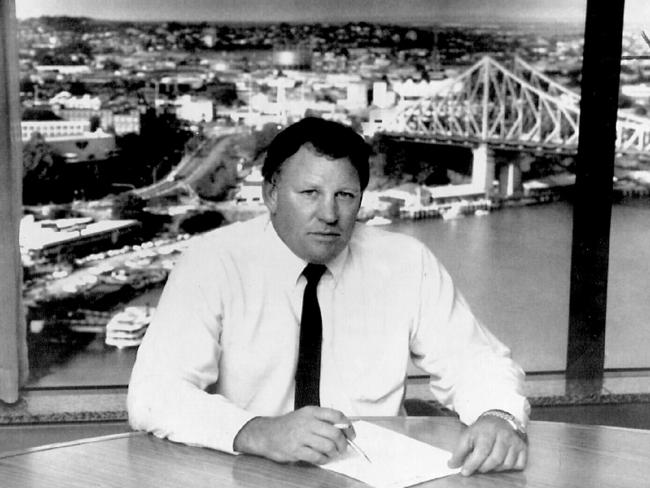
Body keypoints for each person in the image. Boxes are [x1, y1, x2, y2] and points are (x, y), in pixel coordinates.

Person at [128, 116, 530, 476]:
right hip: (248, 474)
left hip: (375, 477)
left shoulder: (407, 262)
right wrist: (256, 431)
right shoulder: (210, 263)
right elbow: (154, 394)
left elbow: (475, 360)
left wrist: (497, 414)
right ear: (270, 194)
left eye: (345, 195)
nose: (330, 214)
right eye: (309, 193)